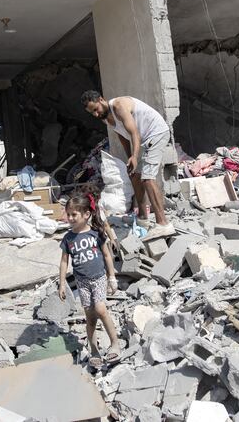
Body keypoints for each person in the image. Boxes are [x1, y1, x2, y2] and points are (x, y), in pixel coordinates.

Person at [81, 90, 175, 240]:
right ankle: (143, 218)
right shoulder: (106, 117)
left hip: (156, 133)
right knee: (134, 176)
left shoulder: (118, 106)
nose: (96, 115)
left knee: (148, 178)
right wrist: (129, 159)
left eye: (96, 109)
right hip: (144, 139)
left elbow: (134, 133)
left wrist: (135, 156)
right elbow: (123, 136)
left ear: (101, 99)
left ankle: (163, 224)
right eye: (92, 113)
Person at [58, 191, 120, 368]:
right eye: (68, 214)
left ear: (86, 215)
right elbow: (64, 262)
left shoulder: (96, 234)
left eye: (73, 214)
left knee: (101, 309)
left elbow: (107, 256)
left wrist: (112, 277)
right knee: (90, 316)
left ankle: (115, 342)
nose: (69, 217)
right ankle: (94, 350)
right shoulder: (68, 238)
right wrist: (62, 283)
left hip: (98, 278)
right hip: (82, 282)